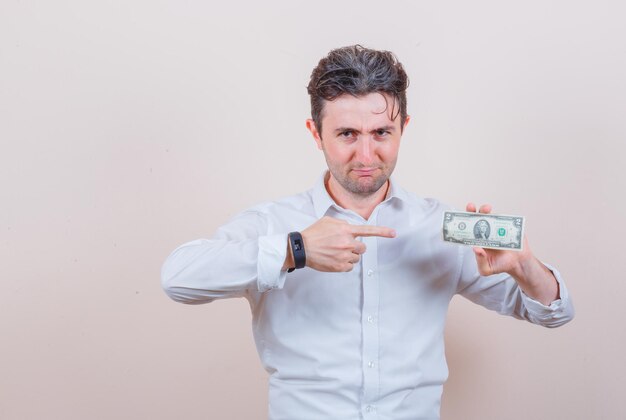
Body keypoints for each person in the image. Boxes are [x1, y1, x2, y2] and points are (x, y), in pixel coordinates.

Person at [161, 45, 574, 420]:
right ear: (314, 132)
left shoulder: (441, 227)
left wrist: (523, 265)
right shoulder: (274, 223)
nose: (365, 155)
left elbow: (552, 312)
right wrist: (295, 249)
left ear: (403, 129)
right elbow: (178, 278)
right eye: (346, 134)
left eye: (381, 133)